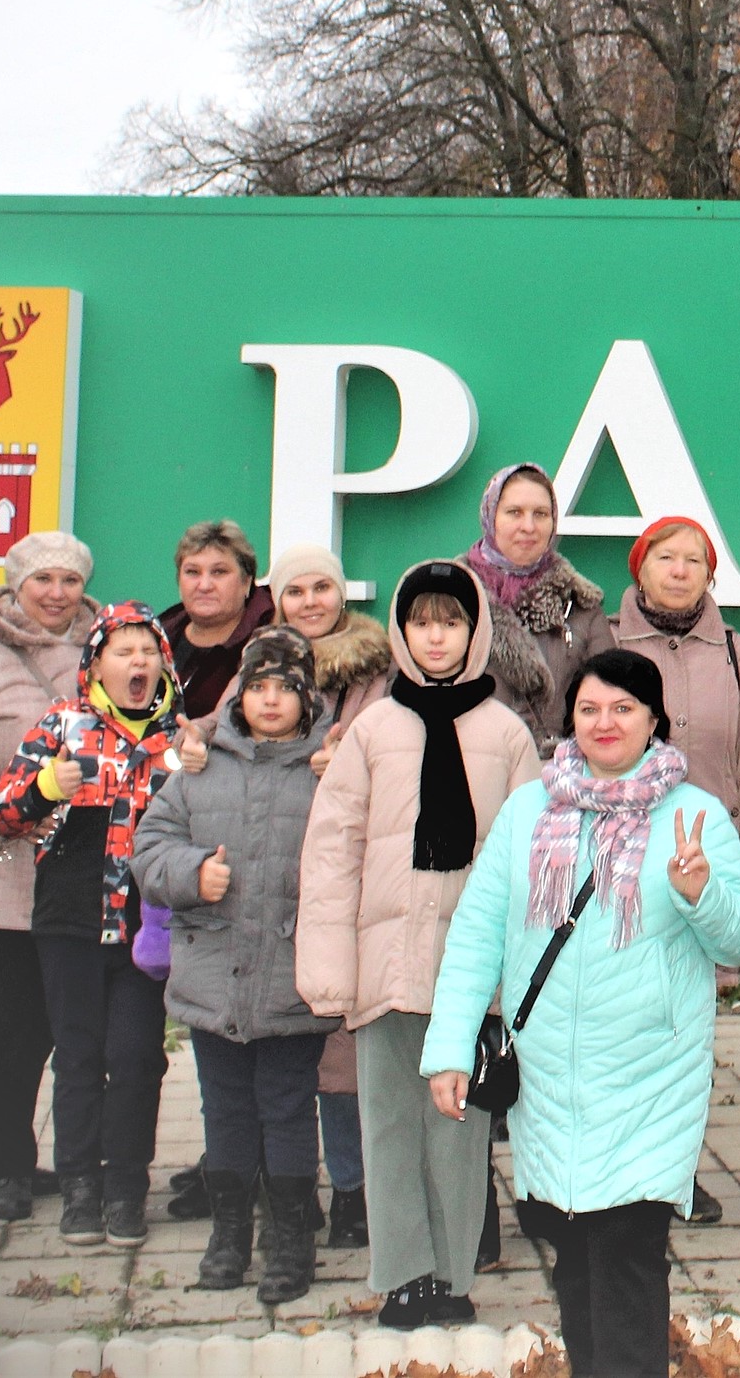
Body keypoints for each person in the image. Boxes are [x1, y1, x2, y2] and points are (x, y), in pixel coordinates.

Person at [422, 650, 740, 1378]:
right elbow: (477, 934)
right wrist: (451, 1047)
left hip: (650, 1077)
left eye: (622, 709)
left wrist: (701, 893)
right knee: (574, 1257)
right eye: (589, 709)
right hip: (549, 1077)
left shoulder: (694, 815)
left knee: (627, 1257)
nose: (604, 723)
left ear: (654, 720)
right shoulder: (529, 811)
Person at [297, 560, 540, 1328]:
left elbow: (533, 861)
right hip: (389, 966)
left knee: (458, 1131)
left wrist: (518, 979)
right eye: (421, 622)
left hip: (469, 973)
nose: (436, 637)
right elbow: (332, 853)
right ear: (401, 632)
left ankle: (453, 1276)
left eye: (452, 622)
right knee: (391, 1125)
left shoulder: (506, 733)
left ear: (476, 631)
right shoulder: (373, 728)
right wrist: (330, 969)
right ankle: (403, 1275)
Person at [178, 542, 390, 1245]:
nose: (309, 602)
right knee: (268, 1078)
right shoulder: (259, 665)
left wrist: (346, 764)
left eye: (321, 587)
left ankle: (351, 1192)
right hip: (257, 907)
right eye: (295, 591)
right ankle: (272, 1200)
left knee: (337, 1063)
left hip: (333, 888)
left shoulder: (376, 667)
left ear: (342, 594)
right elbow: (220, 731)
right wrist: (194, 744)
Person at [134, 628, 338, 1303]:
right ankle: (228, 1236)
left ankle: (290, 1239)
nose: (270, 700)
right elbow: (149, 846)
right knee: (223, 1110)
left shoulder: (331, 772)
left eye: (286, 688)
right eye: (258, 688)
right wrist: (191, 873)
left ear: (309, 698)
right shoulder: (199, 769)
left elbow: (358, 852)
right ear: (238, 695)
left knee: (286, 1110)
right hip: (212, 979)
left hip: (292, 980)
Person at [0, 601, 186, 1251]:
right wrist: (46, 786)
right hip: (68, 925)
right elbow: (2, 815)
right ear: (96, 663)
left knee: (135, 1057)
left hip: (145, 933)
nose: (137, 662)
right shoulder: (62, 725)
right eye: (122, 651)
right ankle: (80, 1186)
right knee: (77, 1057)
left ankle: (126, 1185)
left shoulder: (181, 741)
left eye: (148, 651)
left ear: (164, 665)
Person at [612, 514, 740, 1227]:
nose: (680, 570)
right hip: (620, 870)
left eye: (694, 560)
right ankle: (618, 1169)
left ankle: (674, 1170)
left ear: (712, 575)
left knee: (687, 1036)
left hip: (703, 871)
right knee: (623, 1028)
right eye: (665, 557)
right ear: (640, 568)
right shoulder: (606, 644)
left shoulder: (739, 655)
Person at [0, 530, 101, 1224]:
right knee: (4, 1030)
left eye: (70, 580)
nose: (56, 594)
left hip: (75, 876)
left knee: (56, 1029)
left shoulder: (106, 652)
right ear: (15, 585)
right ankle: (4, 1162)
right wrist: (15, 809)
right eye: (42, 580)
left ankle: (17, 1156)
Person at [461, 464, 616, 758]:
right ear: (491, 516)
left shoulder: (579, 604)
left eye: (541, 514)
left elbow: (610, 695)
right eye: (514, 512)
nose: (529, 526)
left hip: (557, 775)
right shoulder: (451, 595)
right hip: (470, 769)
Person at [161, 520, 276, 719]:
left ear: (246, 582)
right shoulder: (157, 637)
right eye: (192, 572)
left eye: (219, 572)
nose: (204, 585)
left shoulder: (270, 642)